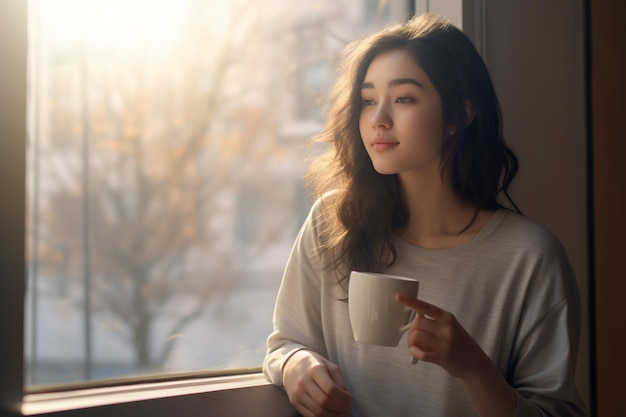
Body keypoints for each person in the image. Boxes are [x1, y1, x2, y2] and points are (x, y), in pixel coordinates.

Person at [263, 13, 586, 417]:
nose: (378, 117)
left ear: (459, 116)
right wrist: (296, 365)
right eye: (367, 100)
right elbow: (284, 344)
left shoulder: (530, 258)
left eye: (403, 98)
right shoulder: (333, 223)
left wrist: (474, 368)